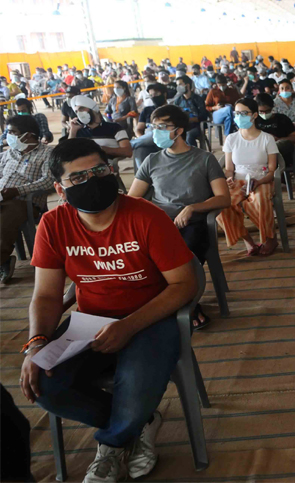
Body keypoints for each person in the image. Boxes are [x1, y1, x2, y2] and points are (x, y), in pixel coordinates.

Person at [21, 137, 197, 483]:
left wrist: (129, 326)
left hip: (152, 318)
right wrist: (37, 342)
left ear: (112, 170)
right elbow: (45, 295)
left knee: (134, 384)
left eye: (99, 170)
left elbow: (184, 285)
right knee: (42, 382)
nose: (93, 180)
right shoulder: (54, 225)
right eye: (79, 177)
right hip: (89, 323)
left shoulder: (147, 217)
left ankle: (112, 443)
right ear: (60, 187)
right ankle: (138, 422)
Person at [128, 105, 230, 329]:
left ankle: (187, 304)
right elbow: (132, 199)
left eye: (163, 127)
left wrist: (193, 207)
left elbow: (224, 198)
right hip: (157, 226)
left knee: (182, 254)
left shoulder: (204, 159)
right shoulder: (152, 161)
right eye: (155, 127)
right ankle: (171, 305)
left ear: (179, 130)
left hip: (193, 224)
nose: (157, 131)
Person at [217, 98, 280, 257]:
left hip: (261, 180)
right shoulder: (232, 139)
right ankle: (249, 241)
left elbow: (272, 170)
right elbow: (229, 168)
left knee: (260, 200)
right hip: (238, 181)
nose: (239, 117)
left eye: (243, 113)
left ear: (254, 115)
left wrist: (259, 181)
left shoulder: (267, 138)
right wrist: (228, 178)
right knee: (221, 205)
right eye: (236, 113)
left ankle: (270, 237)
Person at [0, 115, 54, 284]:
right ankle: (4, 260)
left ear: (28, 135)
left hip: (24, 201)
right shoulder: (9, 153)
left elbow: (48, 180)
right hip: (2, 196)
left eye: (12, 132)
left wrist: (17, 190)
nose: (8, 135)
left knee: (2, 223)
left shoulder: (47, 153)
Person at [68, 95, 132, 159]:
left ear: (92, 109)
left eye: (81, 109)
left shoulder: (115, 128)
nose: (79, 113)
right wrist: (73, 130)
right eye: (76, 112)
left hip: (103, 165)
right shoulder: (78, 131)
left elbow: (128, 152)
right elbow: (67, 153)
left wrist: (101, 149)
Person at [256, 93, 295, 167]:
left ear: (272, 108)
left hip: (278, 150)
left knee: (280, 145)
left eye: (267, 111)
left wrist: (279, 139)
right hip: (260, 150)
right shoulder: (253, 121)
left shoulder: (282, 119)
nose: (264, 114)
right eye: (261, 112)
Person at [171, 75, 208, 148]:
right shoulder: (178, 101)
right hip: (183, 126)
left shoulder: (198, 99)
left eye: (180, 84)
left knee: (189, 135)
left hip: (197, 126)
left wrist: (190, 119)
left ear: (187, 85)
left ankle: (194, 155)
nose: (178, 87)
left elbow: (203, 116)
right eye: (177, 85)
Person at [205, 73, 241, 138]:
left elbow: (239, 102)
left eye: (223, 85)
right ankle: (239, 131)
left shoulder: (232, 91)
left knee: (229, 117)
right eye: (219, 85)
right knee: (229, 109)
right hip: (217, 114)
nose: (222, 87)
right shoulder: (213, 92)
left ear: (226, 83)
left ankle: (227, 137)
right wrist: (215, 107)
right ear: (217, 84)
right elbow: (207, 106)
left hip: (231, 114)